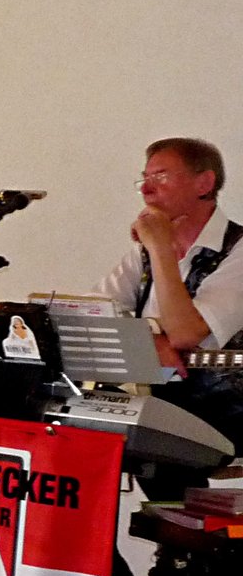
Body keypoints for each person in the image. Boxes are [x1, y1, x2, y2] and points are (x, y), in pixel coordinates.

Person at [96, 138, 243, 457]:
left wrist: (161, 248)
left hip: (223, 415)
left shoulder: (239, 251)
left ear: (204, 183)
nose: (147, 191)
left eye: (160, 177)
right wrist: (148, 341)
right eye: (144, 180)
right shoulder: (144, 251)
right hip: (157, 412)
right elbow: (93, 317)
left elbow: (186, 333)